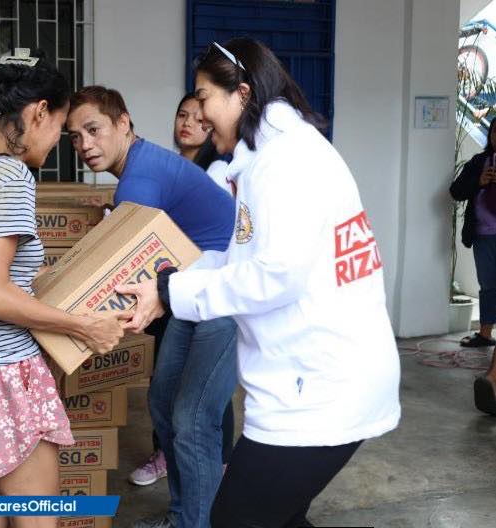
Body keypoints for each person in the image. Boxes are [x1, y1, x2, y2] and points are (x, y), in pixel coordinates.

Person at [118, 38, 401, 528]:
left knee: (236, 518)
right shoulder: (266, 159)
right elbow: (236, 251)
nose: (200, 116)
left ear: (242, 94)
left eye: (204, 98)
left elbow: (275, 276)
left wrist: (173, 293)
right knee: (280, 518)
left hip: (320, 388)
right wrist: (170, 287)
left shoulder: (285, 163)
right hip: (311, 381)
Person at [0, 51, 127, 528]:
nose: (59, 142)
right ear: (38, 112)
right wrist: (84, 325)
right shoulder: (12, 177)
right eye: (59, 127)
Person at [67, 86, 237, 528]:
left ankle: (196, 521)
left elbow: (113, 270)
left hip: (224, 294)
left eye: (93, 129)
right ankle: (184, 514)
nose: (85, 145)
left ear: (124, 123)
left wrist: (64, 322)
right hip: (192, 291)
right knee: (163, 400)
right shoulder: (140, 169)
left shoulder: (140, 180)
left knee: (194, 421)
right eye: (74, 136)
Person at [450, 118, 496, 415]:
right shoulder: (480, 162)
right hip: (484, 235)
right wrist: (479, 181)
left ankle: (492, 380)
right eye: (495, 132)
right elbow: (456, 192)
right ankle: (485, 333)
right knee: (489, 286)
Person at [173, 93, 230, 194]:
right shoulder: (169, 166)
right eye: (182, 115)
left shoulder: (218, 170)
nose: (187, 123)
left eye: (199, 120)